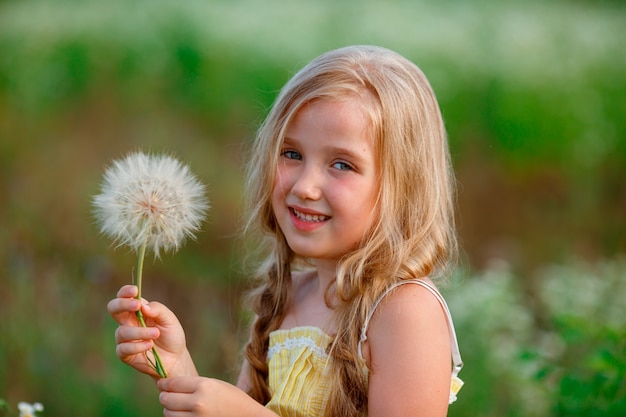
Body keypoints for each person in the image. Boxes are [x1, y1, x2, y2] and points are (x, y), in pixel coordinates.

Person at [107, 45, 463, 417]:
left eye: (341, 164)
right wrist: (179, 370)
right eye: (291, 154)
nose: (305, 186)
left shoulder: (405, 312)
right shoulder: (288, 297)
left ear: (404, 186)